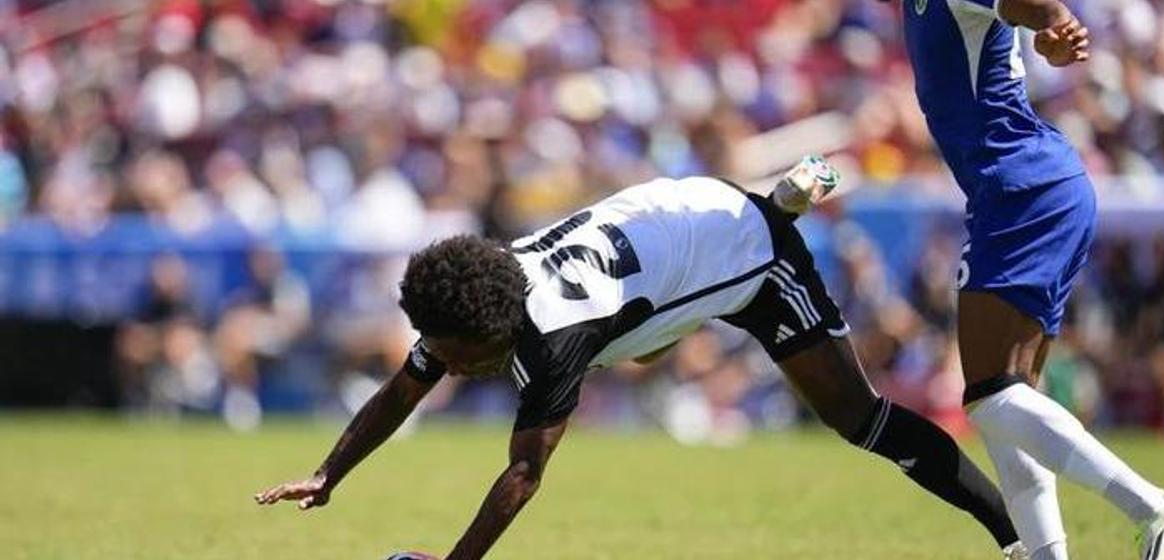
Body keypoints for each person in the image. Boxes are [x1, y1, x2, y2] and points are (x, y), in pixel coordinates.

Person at [743, 0, 1164, 560]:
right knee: (1008, 405)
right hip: (1022, 193)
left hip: (1026, 190)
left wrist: (1055, 29)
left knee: (990, 396)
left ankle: (1153, 507)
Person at [257, 158, 1029, 559]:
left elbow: (522, 477)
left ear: (490, 332)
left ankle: (1014, 535)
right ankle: (782, 194)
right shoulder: (476, 295)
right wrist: (331, 472)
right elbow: (403, 387)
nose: (447, 367)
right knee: (641, 347)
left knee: (858, 420)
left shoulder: (552, 336)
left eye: (456, 359)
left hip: (748, 257)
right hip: (673, 225)